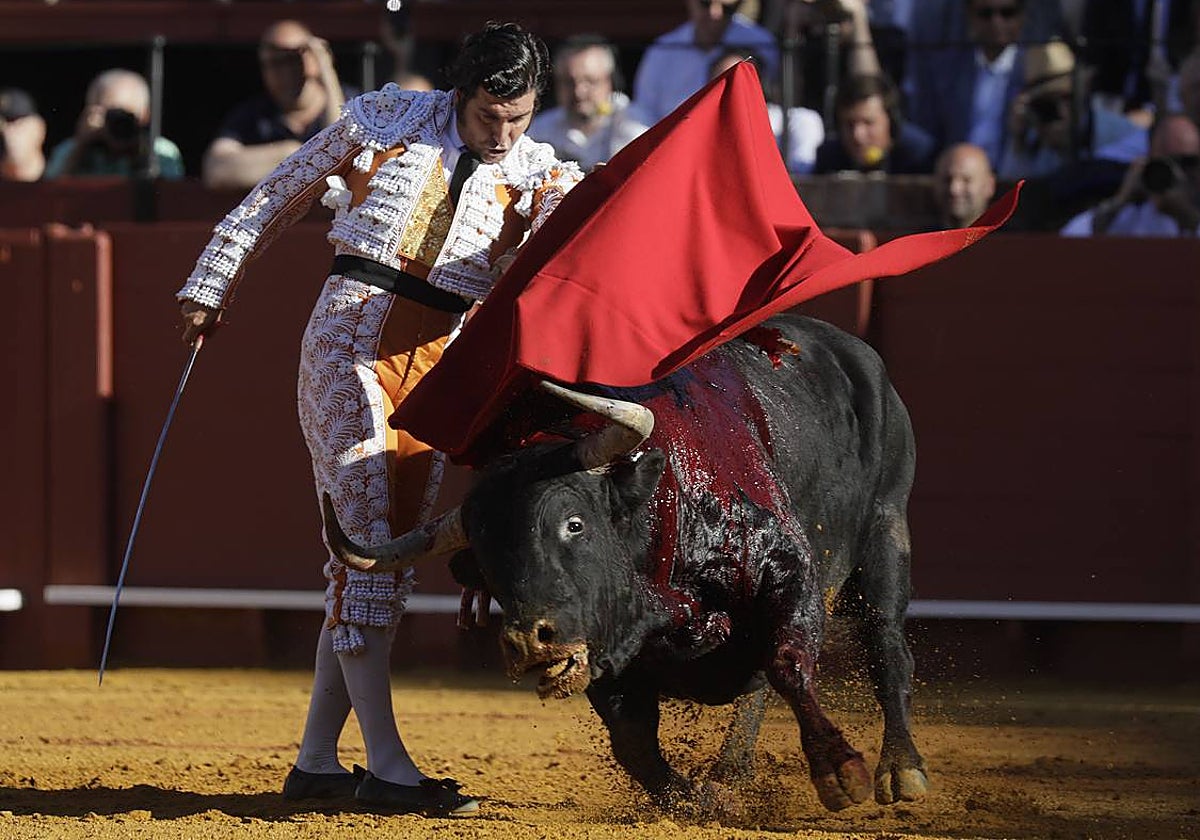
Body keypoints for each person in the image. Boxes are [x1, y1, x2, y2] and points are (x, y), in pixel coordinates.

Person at [176, 22, 583, 815]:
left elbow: (576, 251)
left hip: (437, 369)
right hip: (349, 339)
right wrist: (208, 284)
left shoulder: (541, 172)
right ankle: (389, 767)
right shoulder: (385, 119)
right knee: (365, 549)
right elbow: (276, 197)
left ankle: (317, 762)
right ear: (457, 95)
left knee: (381, 555)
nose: (503, 136)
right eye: (487, 118)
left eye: (519, 119)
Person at [202, 19, 354, 190]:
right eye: (273, 62)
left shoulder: (357, 104)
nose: (285, 71)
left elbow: (341, 154)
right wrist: (291, 154)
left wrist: (326, 70)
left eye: (293, 57)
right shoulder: (254, 115)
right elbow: (217, 169)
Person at [999, 39, 1147, 180]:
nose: (1062, 111)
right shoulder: (1031, 143)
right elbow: (1012, 189)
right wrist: (1018, 142)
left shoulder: (1121, 133)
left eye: (1069, 98)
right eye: (1047, 105)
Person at [907, 0, 1030, 169]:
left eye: (1007, 13)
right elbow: (928, 131)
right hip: (956, 179)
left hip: (1016, 177)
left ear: (1021, 17)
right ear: (970, 17)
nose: (997, 22)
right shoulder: (947, 69)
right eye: (985, 14)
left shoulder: (1033, 70)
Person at [632, 0, 781, 124]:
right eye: (705, 3)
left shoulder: (761, 42)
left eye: (727, 8)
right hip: (671, 147)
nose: (715, 13)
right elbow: (644, 110)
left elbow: (772, 105)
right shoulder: (663, 48)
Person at [1061, 113, 1200, 235]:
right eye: (1167, 163)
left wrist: (1187, 217)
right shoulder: (1131, 217)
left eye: (1188, 163)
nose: (1178, 173)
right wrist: (1120, 201)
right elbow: (1071, 239)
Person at [528, 34, 651, 171]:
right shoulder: (538, 130)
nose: (579, 92)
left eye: (590, 81)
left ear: (611, 81)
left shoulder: (635, 125)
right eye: (568, 82)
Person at [44, 69, 184, 180]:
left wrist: (140, 152)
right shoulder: (70, 149)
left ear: (145, 115)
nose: (117, 122)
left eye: (125, 115)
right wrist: (80, 147)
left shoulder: (161, 151)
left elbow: (170, 197)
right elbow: (47, 196)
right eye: (109, 115)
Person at [708, 49, 824, 174]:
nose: (726, 88)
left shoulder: (800, 120)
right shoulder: (703, 126)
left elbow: (801, 173)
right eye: (718, 81)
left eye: (733, 80)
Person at [812, 73, 936, 174]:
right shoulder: (828, 158)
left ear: (891, 122)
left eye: (868, 123)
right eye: (849, 124)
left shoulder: (920, 156)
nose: (857, 135)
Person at [933, 142, 997, 228]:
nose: (954, 189)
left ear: (989, 185)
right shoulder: (918, 238)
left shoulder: (1011, 238)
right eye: (947, 180)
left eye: (966, 180)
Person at [0, 87, 46, 182]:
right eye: (3, 123)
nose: (8, 131)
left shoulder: (62, 173)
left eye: (16, 122)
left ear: (39, 127)